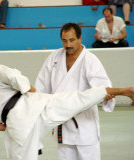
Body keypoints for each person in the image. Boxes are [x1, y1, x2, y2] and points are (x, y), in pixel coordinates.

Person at [0, 47, 134, 160]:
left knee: (19, 156)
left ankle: (36, 147)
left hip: (16, 124)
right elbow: (12, 76)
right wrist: (27, 88)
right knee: (77, 99)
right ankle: (117, 91)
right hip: (35, 106)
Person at [35, 22, 116, 160]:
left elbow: (102, 86)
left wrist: (106, 96)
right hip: (62, 123)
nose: (68, 45)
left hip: (84, 125)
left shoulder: (90, 60)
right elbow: (41, 87)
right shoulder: (54, 58)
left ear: (80, 38)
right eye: (64, 41)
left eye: (72, 40)